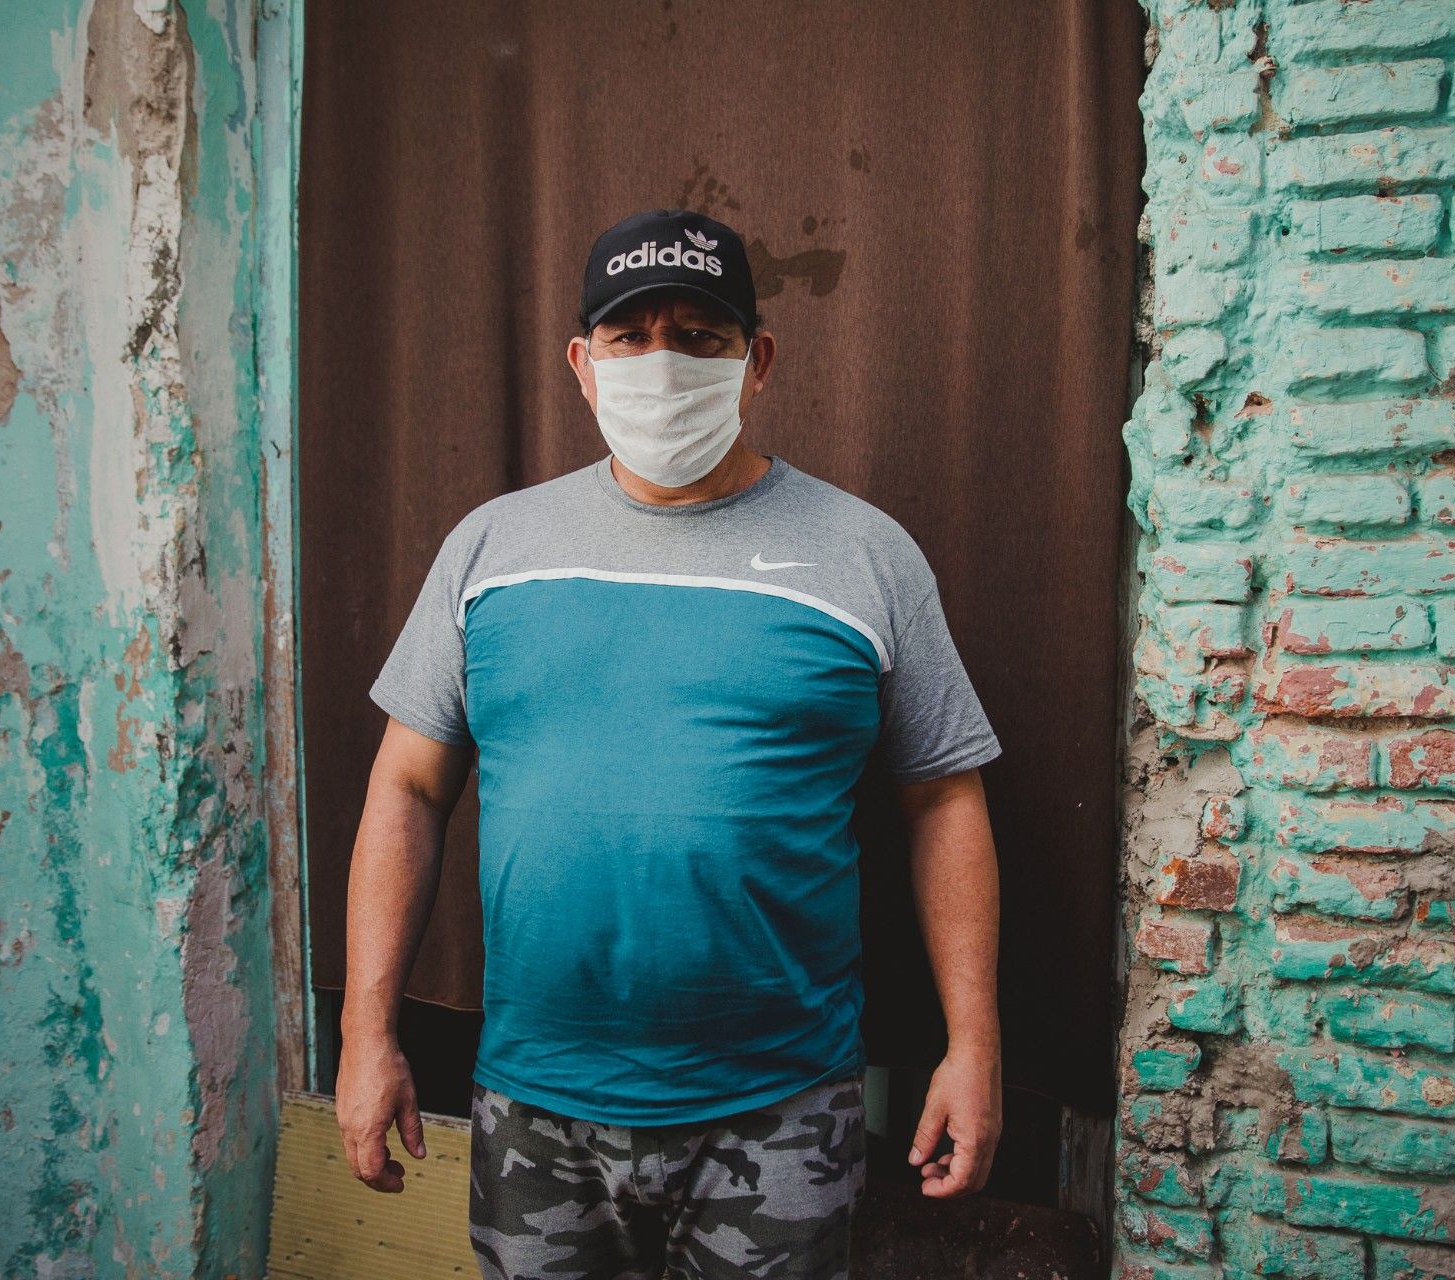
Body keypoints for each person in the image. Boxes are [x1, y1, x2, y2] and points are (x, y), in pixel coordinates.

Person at [337, 208, 1006, 1280]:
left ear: (758, 359)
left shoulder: (864, 556)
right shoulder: (491, 547)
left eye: (700, 336)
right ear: (581, 363)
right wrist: (366, 1034)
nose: (663, 362)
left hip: (780, 1111)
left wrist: (974, 1043)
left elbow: (943, 801)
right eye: (629, 336)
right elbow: (406, 789)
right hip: (537, 1105)